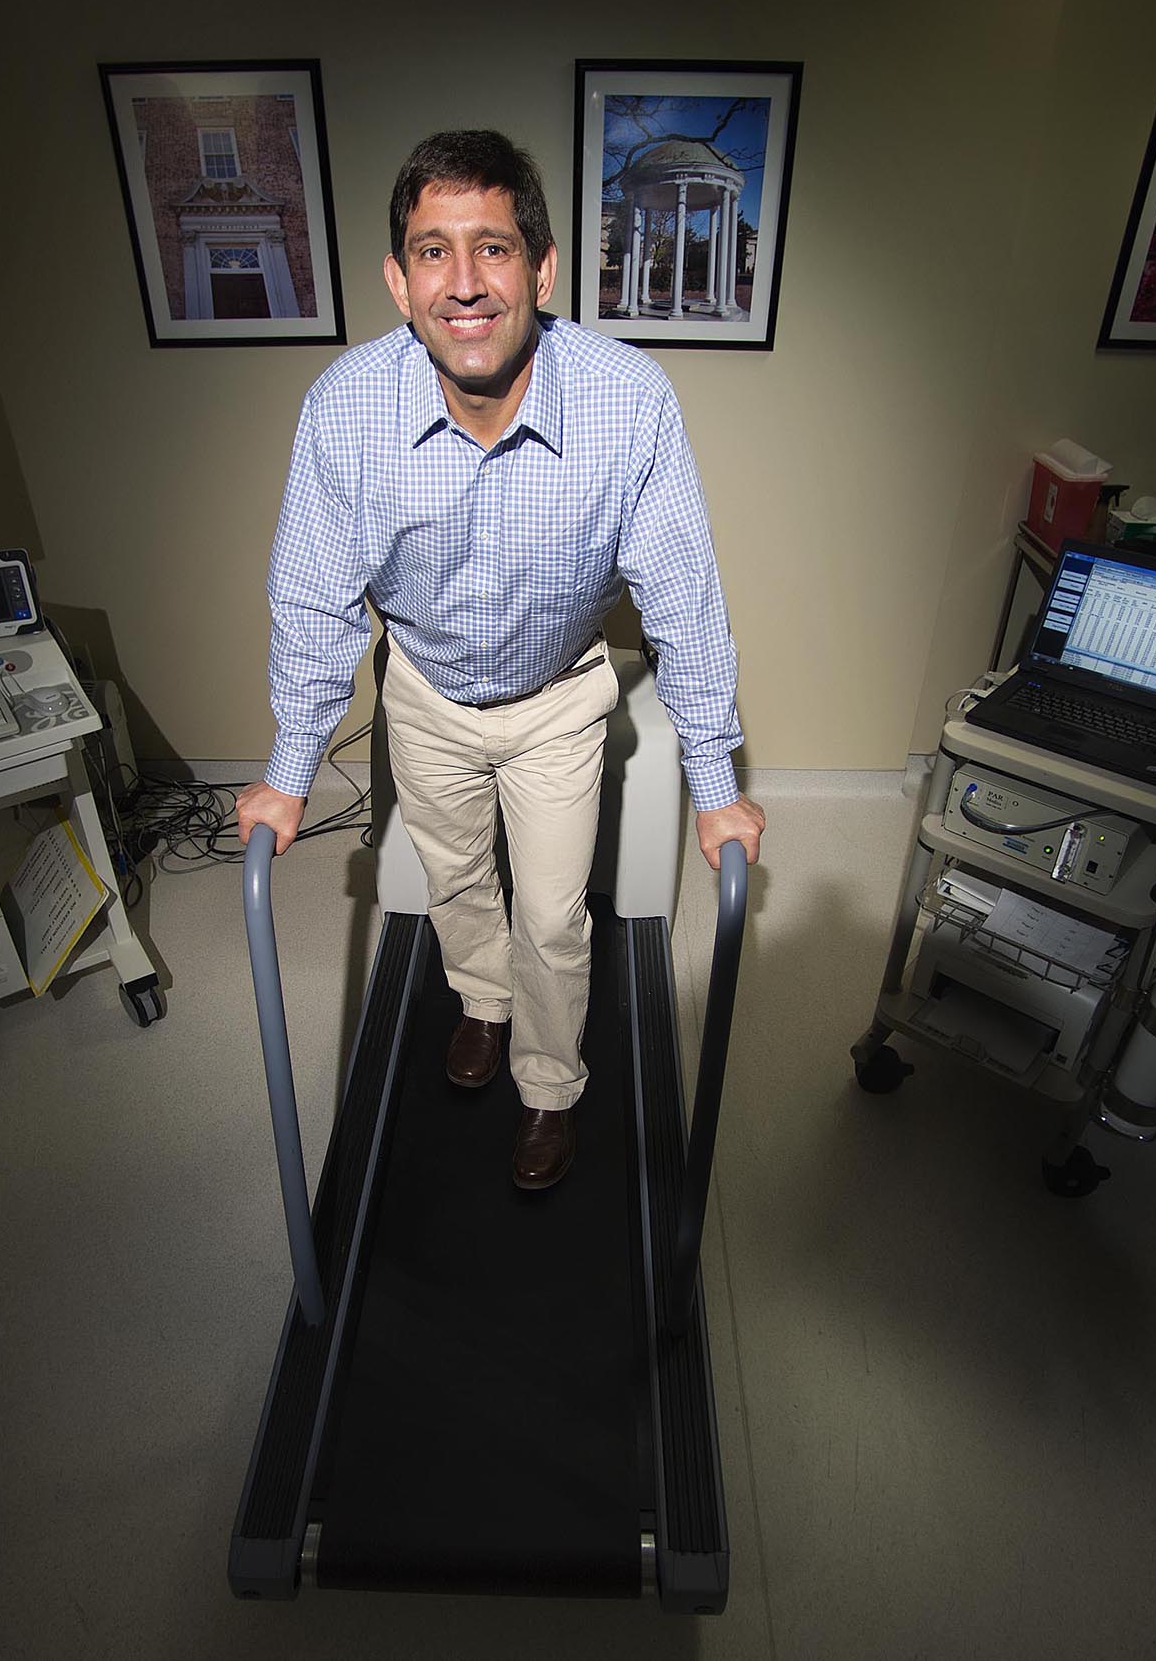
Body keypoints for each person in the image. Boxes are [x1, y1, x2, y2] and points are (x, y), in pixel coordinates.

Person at [234, 129, 762, 1191]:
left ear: (544, 266)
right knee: (457, 878)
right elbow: (313, 599)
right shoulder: (345, 406)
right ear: (396, 278)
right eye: (434, 251)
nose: (465, 283)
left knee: (555, 914)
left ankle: (548, 1083)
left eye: (494, 248)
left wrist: (717, 786)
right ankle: (480, 999)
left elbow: (684, 602)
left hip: (559, 699)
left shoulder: (628, 400)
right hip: (422, 692)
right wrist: (290, 770)